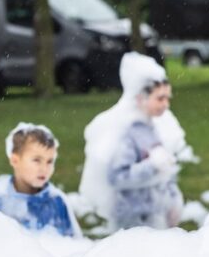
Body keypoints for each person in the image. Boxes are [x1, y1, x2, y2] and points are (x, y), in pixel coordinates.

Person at [79, 53, 186, 232]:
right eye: (160, 98)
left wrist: (174, 199)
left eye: (168, 98)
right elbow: (117, 177)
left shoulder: (153, 128)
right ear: (140, 98)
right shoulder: (127, 134)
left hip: (154, 216)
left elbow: (164, 173)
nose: (166, 104)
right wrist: (151, 165)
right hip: (131, 221)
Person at [0, 123, 81, 237]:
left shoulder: (57, 203)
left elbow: (72, 242)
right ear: (15, 161)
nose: (44, 168)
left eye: (49, 161)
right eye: (37, 160)